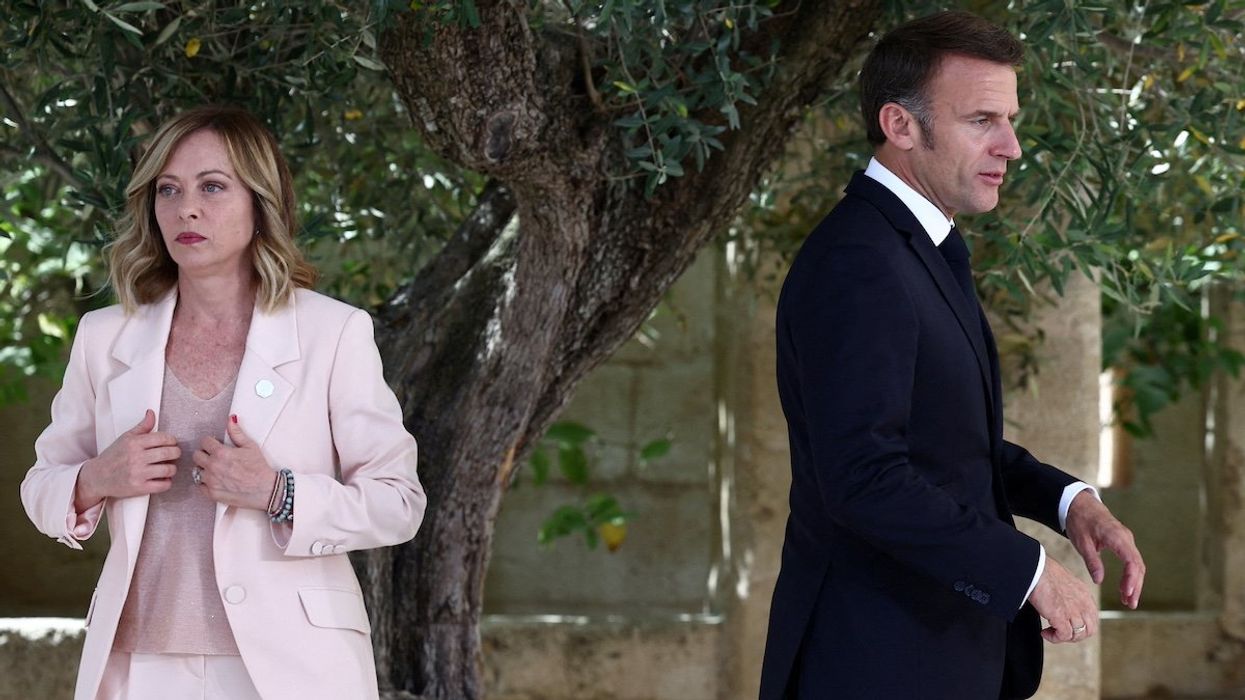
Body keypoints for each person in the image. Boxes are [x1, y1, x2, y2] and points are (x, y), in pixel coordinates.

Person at [758, 12, 1146, 700]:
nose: (1012, 146)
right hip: (875, 661)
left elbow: (943, 446)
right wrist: (1028, 570)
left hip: (932, 654)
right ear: (900, 126)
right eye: (982, 121)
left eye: (1010, 119)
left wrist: (1067, 501)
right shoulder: (858, 260)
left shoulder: (920, 246)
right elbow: (864, 477)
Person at [20, 105, 426, 700]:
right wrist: (96, 478)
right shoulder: (105, 337)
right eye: (169, 189)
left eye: (213, 186)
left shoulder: (333, 333)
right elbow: (41, 486)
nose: (187, 208)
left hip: (292, 666)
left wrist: (277, 493)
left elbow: (399, 501)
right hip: (138, 663)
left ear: (261, 202)